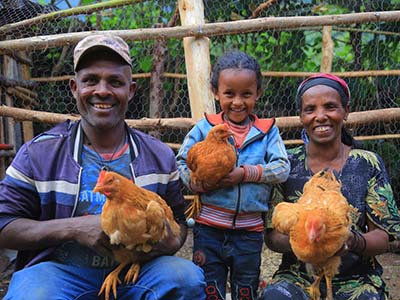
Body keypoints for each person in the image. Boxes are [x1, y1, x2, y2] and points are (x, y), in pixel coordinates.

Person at [0, 33, 206, 300]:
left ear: (130, 90)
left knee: (185, 279)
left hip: (137, 270)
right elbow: (4, 225)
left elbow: (179, 223)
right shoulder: (38, 154)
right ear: (74, 87)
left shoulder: (158, 156)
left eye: (115, 82)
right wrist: (74, 228)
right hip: (61, 272)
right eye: (90, 80)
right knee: (35, 294)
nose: (102, 90)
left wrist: (166, 240)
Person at [260, 73, 400, 300]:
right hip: (298, 277)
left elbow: (382, 237)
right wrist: (303, 238)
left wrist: (353, 240)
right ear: (300, 116)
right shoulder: (285, 164)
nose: (320, 116)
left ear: (346, 111)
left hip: (356, 278)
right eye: (310, 109)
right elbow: (272, 236)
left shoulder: (366, 163)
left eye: (330, 107)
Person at [176, 50, 290, 300]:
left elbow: (283, 167)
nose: (237, 102)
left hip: (249, 231)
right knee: (209, 287)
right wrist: (194, 182)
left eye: (246, 94)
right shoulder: (204, 127)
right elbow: (182, 161)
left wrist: (245, 173)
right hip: (208, 229)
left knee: (245, 288)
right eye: (229, 94)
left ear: (258, 93)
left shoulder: (267, 131)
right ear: (216, 93)